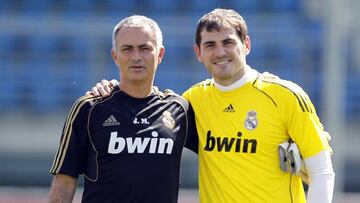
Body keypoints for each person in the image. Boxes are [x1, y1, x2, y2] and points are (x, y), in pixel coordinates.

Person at [90, 9, 335, 203]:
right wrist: (113, 89)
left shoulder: (285, 96)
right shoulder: (191, 101)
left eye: (228, 42)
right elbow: (143, 109)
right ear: (198, 52)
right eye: (210, 45)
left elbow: (322, 172)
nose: (220, 52)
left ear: (246, 45)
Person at [48, 15, 197, 203]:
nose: (136, 57)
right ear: (115, 56)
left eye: (145, 48)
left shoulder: (178, 109)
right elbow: (64, 181)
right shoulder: (89, 108)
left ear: (160, 54)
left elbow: (220, 152)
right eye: (127, 49)